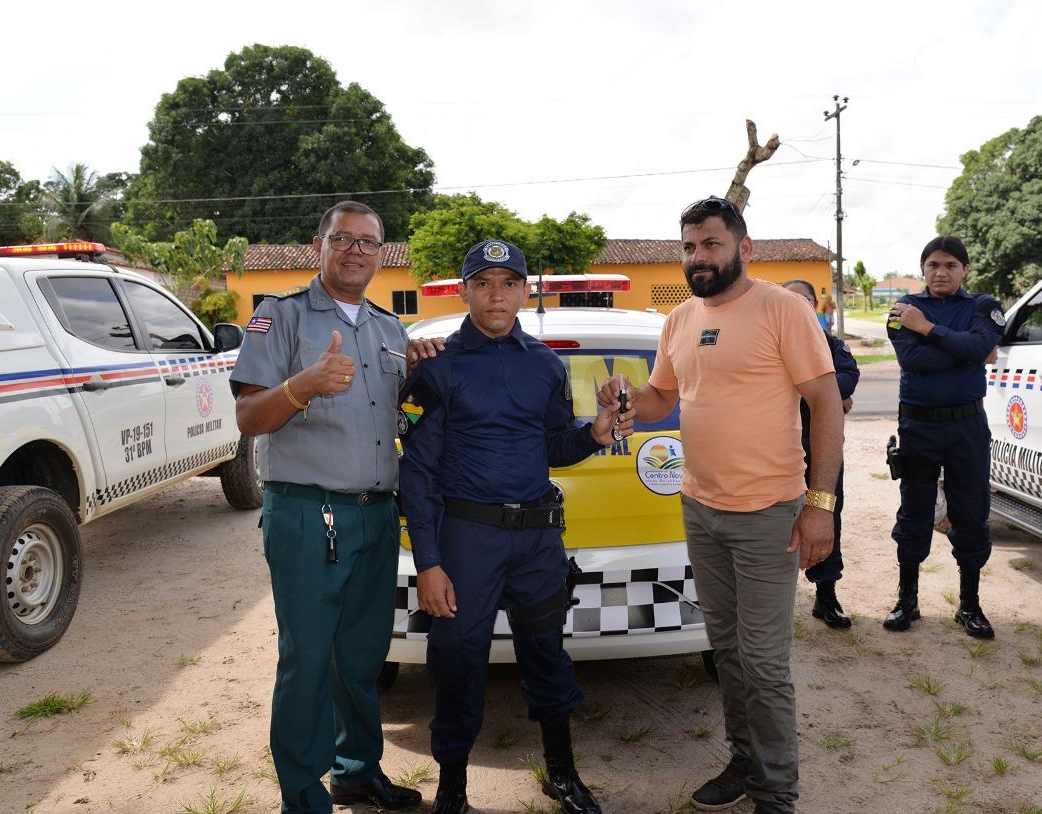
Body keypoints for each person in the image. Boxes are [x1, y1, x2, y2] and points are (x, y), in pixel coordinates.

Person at [599, 197, 843, 814]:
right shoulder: (679, 320)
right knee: (727, 650)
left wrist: (821, 504)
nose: (698, 257)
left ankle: (777, 793)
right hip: (700, 507)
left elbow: (827, 403)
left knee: (763, 661)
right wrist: (627, 397)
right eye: (688, 246)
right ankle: (745, 761)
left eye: (710, 244)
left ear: (744, 247)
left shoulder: (781, 309)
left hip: (769, 513)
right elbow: (662, 397)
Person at [399, 239, 632, 814]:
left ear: (526, 290)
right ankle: (453, 788)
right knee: (456, 662)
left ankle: (562, 773)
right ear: (465, 291)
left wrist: (595, 433)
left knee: (548, 657)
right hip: (466, 542)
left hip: (537, 542)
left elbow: (555, 443)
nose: (496, 294)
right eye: (483, 283)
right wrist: (428, 562)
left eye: (508, 283)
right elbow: (419, 474)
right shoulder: (436, 370)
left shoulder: (546, 365)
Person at [231, 201, 438, 813]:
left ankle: (355, 770)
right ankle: (302, 794)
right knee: (309, 658)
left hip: (376, 513)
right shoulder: (282, 316)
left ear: (381, 254)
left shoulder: (389, 329)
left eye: (367, 242)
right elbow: (247, 416)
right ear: (319, 245)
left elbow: (393, 414)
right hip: (307, 514)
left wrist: (420, 378)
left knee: (362, 655)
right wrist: (302, 385)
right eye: (342, 239)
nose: (355, 251)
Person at [883, 235, 1003, 640]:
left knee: (970, 512)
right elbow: (912, 357)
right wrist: (967, 351)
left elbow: (980, 343)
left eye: (951, 265)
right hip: (918, 427)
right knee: (914, 512)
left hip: (967, 427)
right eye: (933, 264)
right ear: (923, 269)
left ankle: (969, 605)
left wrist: (928, 328)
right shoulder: (903, 307)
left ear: (965, 269)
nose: (941, 272)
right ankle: (907, 600)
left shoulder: (983, 307)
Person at [783, 279, 859, 628]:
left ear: (814, 305)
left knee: (827, 514)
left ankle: (826, 595)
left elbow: (849, 375)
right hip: (777, 453)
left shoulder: (829, 343)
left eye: (805, 300)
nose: (798, 306)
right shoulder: (770, 342)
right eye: (790, 300)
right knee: (774, 523)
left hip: (820, 451)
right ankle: (777, 604)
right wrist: (820, 391)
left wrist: (809, 390)